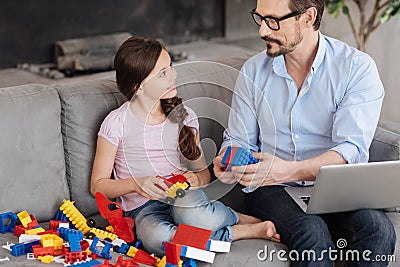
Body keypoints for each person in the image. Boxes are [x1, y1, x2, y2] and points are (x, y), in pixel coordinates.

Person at [213, 0, 396, 266]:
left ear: (308, 17)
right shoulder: (253, 71)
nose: (262, 31)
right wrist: (229, 158)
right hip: (271, 188)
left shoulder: (355, 68)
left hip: (336, 185)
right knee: (311, 232)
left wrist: (287, 169)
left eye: (273, 20)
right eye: (259, 18)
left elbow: (350, 151)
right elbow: (238, 140)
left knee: (377, 230)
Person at [90, 36, 280, 256]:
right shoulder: (116, 123)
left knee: (197, 218)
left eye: (170, 66)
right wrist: (135, 185)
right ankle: (241, 230)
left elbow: (202, 174)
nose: (173, 75)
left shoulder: (184, 117)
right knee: (157, 239)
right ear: (137, 87)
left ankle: (234, 217)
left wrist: (196, 179)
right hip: (142, 208)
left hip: (183, 197)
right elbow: (98, 185)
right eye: (162, 74)